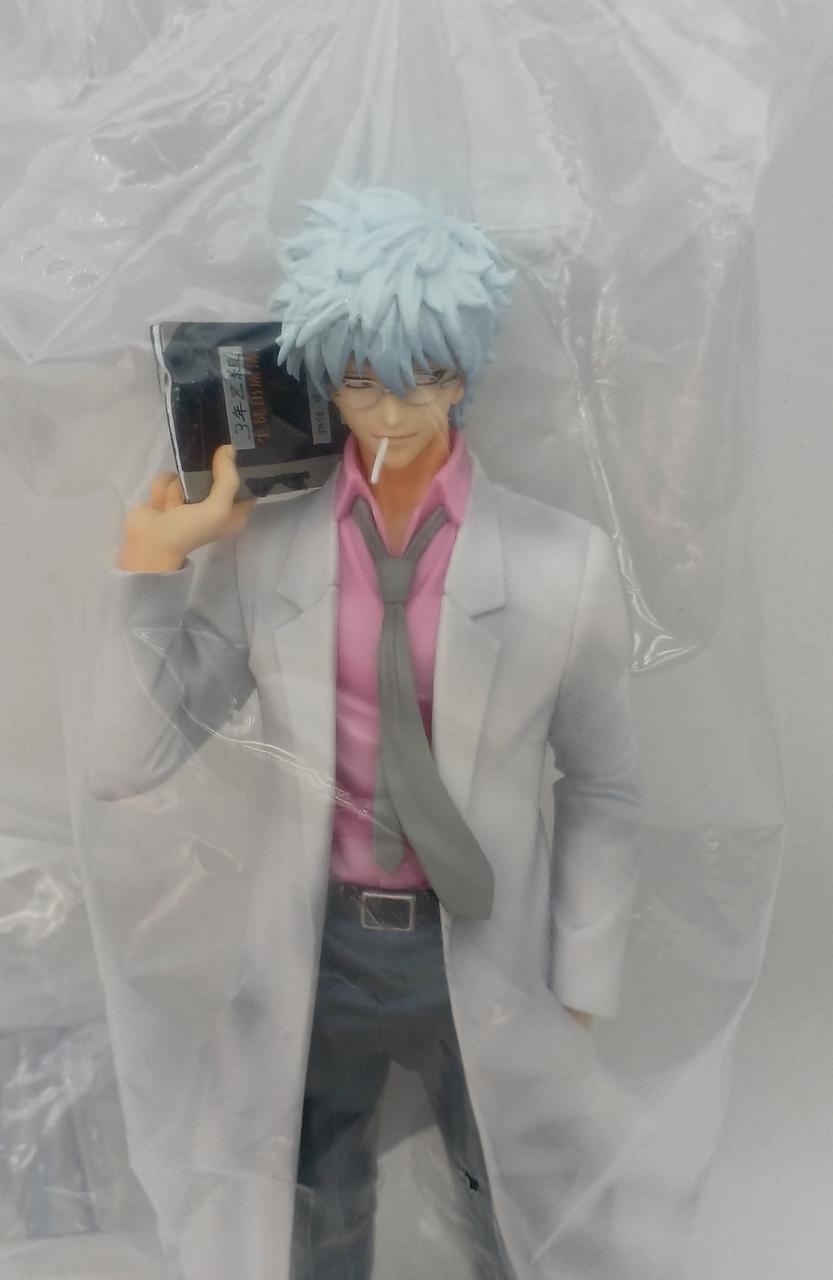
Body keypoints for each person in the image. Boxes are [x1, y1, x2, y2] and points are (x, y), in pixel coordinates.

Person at [93, 185, 641, 1280]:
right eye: (357, 379)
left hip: (482, 943)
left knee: (517, 1213)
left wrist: (581, 975)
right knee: (317, 1211)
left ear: (464, 371)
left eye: (421, 375)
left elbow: (601, 782)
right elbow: (127, 759)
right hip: (320, 949)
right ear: (320, 376)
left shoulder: (561, 562)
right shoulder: (268, 548)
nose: (389, 411)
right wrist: (153, 565)